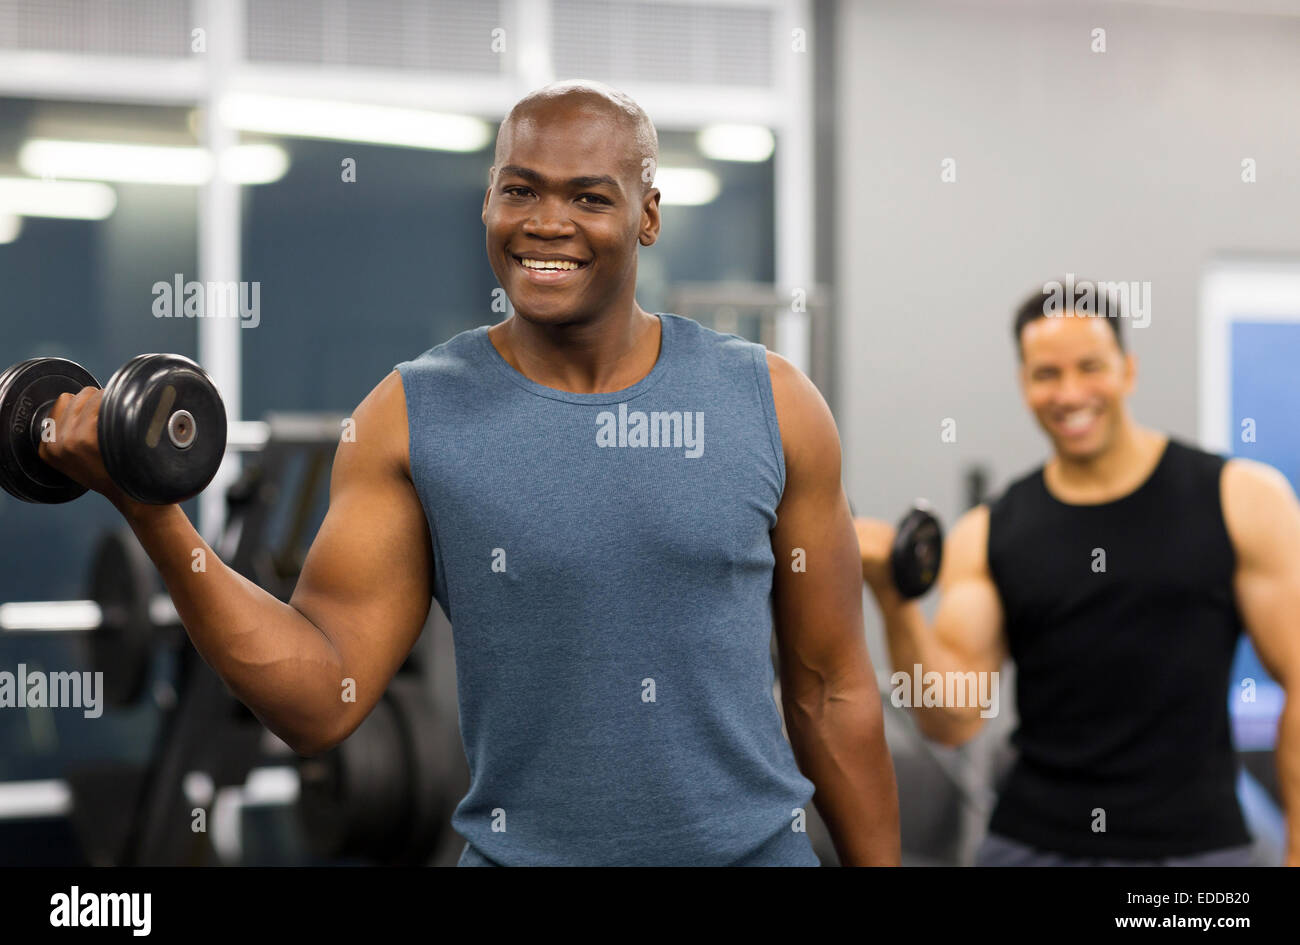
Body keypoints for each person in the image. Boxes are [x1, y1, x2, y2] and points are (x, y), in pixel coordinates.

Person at [39, 79, 900, 866]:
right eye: (519, 189)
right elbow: (319, 699)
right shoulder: (412, 417)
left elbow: (832, 692)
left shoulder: (770, 403)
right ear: (488, 200)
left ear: (648, 215)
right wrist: (155, 516)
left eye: (589, 197)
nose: (546, 222)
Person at [855, 285, 1300, 866]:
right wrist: (895, 598)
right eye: (1046, 374)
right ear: (1024, 384)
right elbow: (953, 720)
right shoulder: (989, 531)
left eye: (1090, 367)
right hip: (1033, 846)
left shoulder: (1240, 498)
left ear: (1128, 370)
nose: (1069, 393)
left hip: (1196, 853)